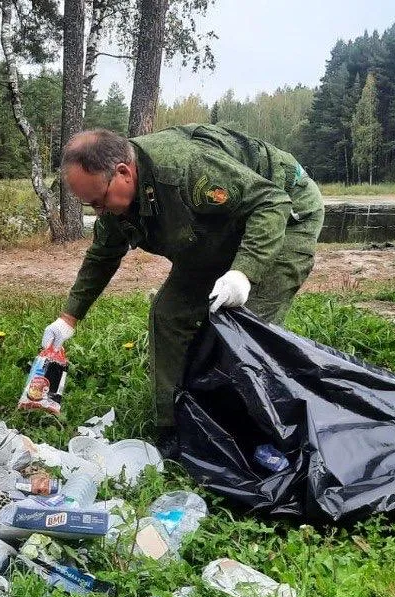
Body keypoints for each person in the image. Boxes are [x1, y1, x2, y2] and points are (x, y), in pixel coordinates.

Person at [40, 124, 324, 454]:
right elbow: (102, 256)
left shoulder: (184, 168)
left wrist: (243, 273)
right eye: (91, 206)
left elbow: (270, 203)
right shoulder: (119, 199)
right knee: (169, 314)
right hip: (216, 227)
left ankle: (246, 431)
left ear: (123, 172)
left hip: (286, 211)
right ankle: (175, 426)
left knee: (243, 327)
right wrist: (68, 319)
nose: (100, 212)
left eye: (100, 202)